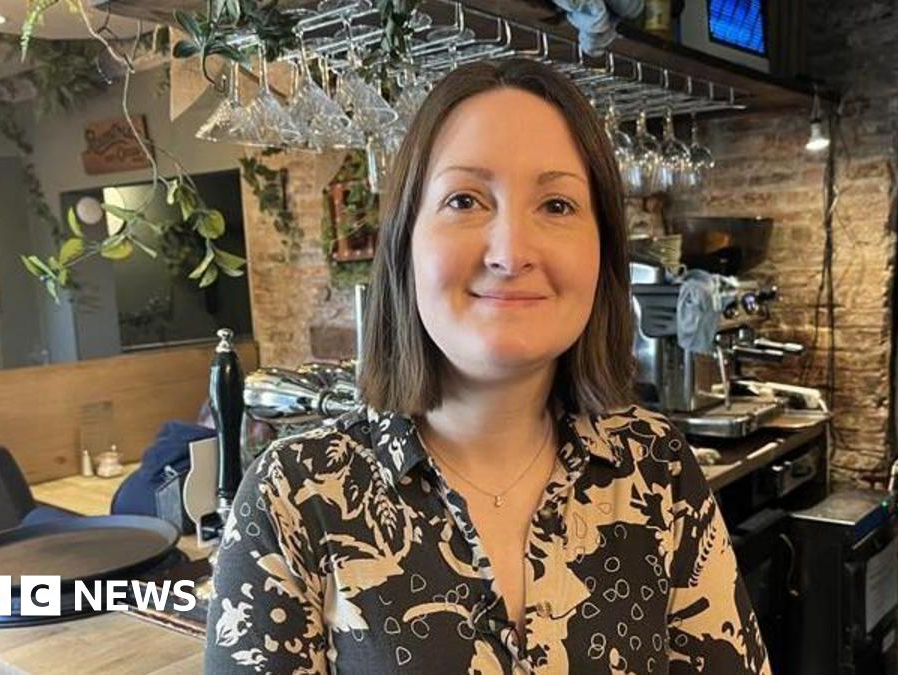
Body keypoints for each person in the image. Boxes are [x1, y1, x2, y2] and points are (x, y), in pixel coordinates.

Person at [205, 58, 769, 674]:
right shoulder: (295, 495)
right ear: (405, 245)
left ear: (601, 251)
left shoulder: (655, 471)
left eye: (556, 205)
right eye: (465, 199)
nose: (510, 252)